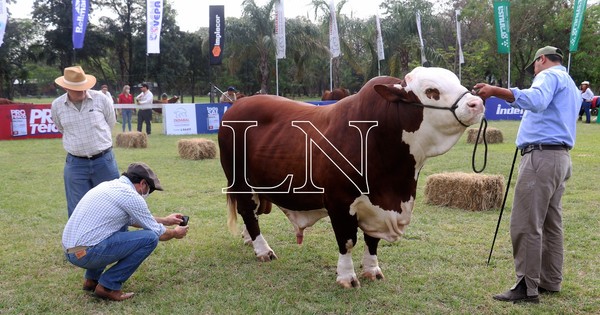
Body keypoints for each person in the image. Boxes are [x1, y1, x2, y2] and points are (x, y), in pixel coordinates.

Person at [474, 46, 578, 304]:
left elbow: (536, 100)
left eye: (534, 65)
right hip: (560, 157)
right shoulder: (571, 84)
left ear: (541, 60)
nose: (534, 70)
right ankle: (550, 280)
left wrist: (496, 91)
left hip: (541, 158)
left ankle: (526, 286)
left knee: (526, 223)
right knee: (552, 224)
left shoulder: (548, 76)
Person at [62, 162, 189, 301]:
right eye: (150, 190)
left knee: (114, 229)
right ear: (143, 183)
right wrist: (175, 233)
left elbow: (130, 220)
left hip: (72, 252)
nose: (148, 194)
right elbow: (160, 234)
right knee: (151, 238)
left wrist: (165, 220)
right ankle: (108, 287)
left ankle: (92, 280)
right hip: (87, 254)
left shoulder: (109, 186)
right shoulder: (131, 196)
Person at [51, 66, 120, 217]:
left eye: (84, 87)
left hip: (104, 161)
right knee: (78, 210)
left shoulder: (101, 99)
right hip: (76, 165)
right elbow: (62, 128)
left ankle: (119, 239)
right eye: (77, 88)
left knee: (115, 205)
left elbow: (110, 122)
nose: (82, 90)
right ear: (65, 87)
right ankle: (80, 240)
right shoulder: (57, 105)